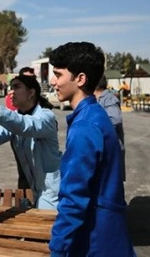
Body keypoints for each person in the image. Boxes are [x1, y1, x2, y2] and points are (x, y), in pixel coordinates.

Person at [48, 42, 135, 256]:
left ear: (80, 79)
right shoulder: (94, 115)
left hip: (95, 239)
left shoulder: (85, 126)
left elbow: (74, 198)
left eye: (58, 75)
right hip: (108, 233)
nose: (52, 81)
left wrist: (57, 250)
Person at [0, 75, 60, 210]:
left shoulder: (46, 117)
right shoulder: (17, 118)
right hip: (36, 190)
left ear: (31, 93)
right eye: (10, 88)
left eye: (16, 87)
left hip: (52, 192)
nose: (11, 92)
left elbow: (26, 126)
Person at [94, 74, 126, 182]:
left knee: (112, 184)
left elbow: (115, 119)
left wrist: (95, 127)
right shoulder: (97, 99)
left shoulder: (108, 99)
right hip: (103, 149)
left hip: (112, 150)